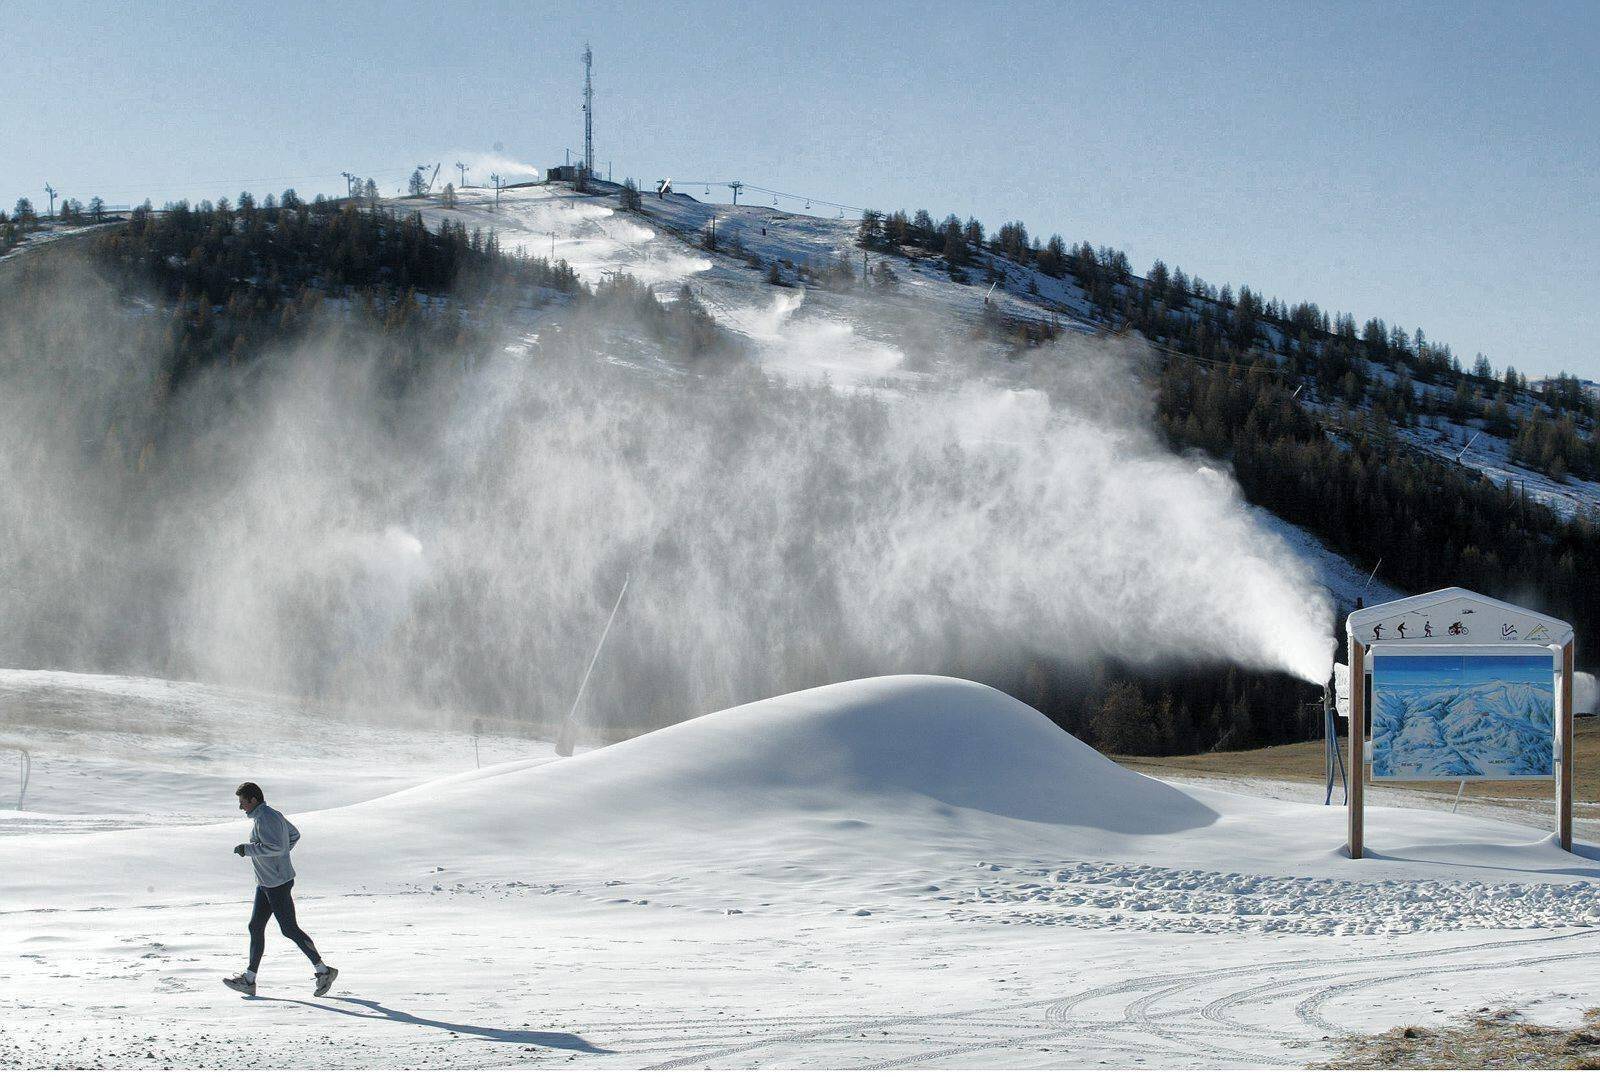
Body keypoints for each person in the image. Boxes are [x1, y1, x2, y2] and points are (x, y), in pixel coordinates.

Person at [222, 782, 338, 997]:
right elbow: (293, 836)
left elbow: (277, 846)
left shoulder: (267, 818)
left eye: (242, 803)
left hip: (277, 883)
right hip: (266, 882)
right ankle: (249, 979)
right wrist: (280, 858)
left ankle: (324, 971)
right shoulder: (265, 816)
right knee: (255, 926)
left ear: (253, 800)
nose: (240, 808)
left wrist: (247, 849)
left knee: (289, 929)